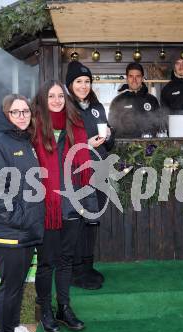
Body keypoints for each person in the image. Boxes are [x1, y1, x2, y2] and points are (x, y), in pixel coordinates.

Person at [0, 94, 44, 332]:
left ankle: (13, 326)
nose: (22, 115)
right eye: (15, 112)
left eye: (25, 111)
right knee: (10, 286)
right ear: (6, 115)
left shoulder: (23, 140)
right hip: (10, 231)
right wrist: (22, 218)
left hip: (25, 230)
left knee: (17, 284)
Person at [32, 80, 92, 332]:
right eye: (51, 96)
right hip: (46, 205)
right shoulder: (32, 126)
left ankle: (63, 307)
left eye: (60, 96)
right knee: (47, 262)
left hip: (71, 202)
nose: (57, 100)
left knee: (67, 259)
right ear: (42, 100)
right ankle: (45, 309)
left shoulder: (75, 124)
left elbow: (83, 163)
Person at [65, 61, 115, 290]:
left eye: (87, 81)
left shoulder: (96, 107)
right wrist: (85, 144)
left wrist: (110, 135)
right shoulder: (65, 109)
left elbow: (108, 143)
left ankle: (88, 265)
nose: (84, 86)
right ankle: (76, 270)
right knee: (78, 221)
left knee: (92, 221)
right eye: (78, 82)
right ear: (70, 84)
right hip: (76, 174)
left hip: (98, 171)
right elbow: (60, 145)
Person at [108, 62, 163, 138]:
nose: (134, 80)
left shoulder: (152, 100)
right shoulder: (117, 101)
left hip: (148, 145)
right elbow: (112, 127)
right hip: (125, 146)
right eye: (131, 76)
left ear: (142, 78)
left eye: (138, 76)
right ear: (127, 78)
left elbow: (159, 124)